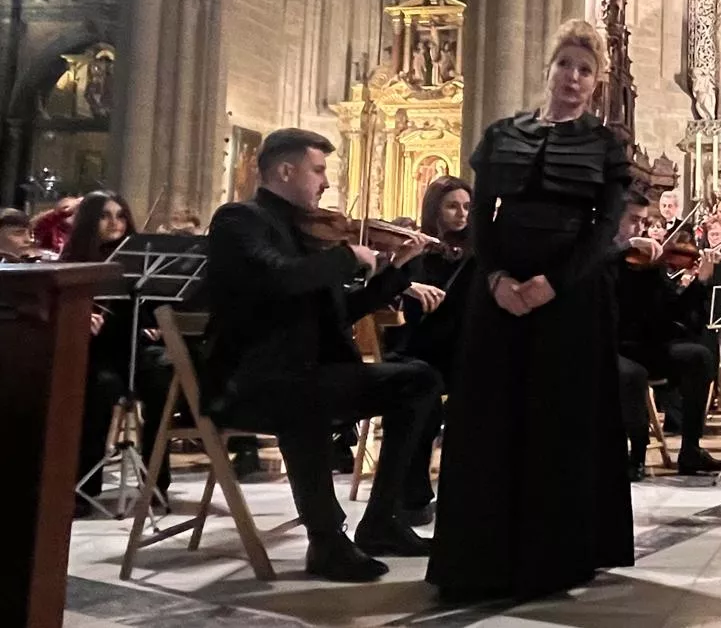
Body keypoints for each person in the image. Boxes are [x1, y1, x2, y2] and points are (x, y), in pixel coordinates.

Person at [428, 20, 634, 602]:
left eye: (585, 70)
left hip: (570, 298)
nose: (573, 77)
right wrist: (495, 278)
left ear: (597, 82)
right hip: (499, 295)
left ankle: (552, 560)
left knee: (557, 420)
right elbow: (480, 221)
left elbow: (603, 231)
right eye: (565, 64)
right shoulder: (501, 135)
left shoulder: (605, 144)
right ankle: (478, 558)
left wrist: (554, 283)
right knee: (490, 418)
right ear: (549, 68)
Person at [203, 129, 440, 581]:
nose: (326, 183)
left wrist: (395, 274)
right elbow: (279, 279)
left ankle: (381, 521)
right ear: (284, 170)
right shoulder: (239, 221)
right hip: (251, 381)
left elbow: (339, 314)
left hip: (307, 375)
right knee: (305, 393)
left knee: (419, 380)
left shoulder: (310, 235)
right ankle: (327, 541)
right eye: (318, 170)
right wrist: (346, 258)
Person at [66, 191, 175, 516]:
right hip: (98, 353)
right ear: (89, 221)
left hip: (135, 349)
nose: (115, 223)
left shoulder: (143, 261)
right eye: (105, 215)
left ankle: (156, 481)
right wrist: (80, 318)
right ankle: (85, 489)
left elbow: (158, 305)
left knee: (163, 375)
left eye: (121, 216)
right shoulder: (75, 262)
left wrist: (158, 323)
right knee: (101, 387)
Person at [613, 188, 721, 479]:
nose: (640, 229)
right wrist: (620, 252)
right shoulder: (600, 256)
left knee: (698, 356)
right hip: (611, 347)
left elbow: (673, 309)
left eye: (643, 222)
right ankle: (636, 453)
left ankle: (690, 449)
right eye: (633, 221)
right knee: (631, 375)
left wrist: (700, 283)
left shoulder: (648, 263)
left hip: (648, 346)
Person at [385, 176, 474, 525]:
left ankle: (468, 491)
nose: (461, 214)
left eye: (467, 206)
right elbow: (389, 297)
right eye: (452, 206)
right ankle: (412, 496)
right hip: (420, 347)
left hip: (464, 349)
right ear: (434, 209)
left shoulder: (478, 253)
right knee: (422, 396)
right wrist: (407, 284)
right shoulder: (416, 251)